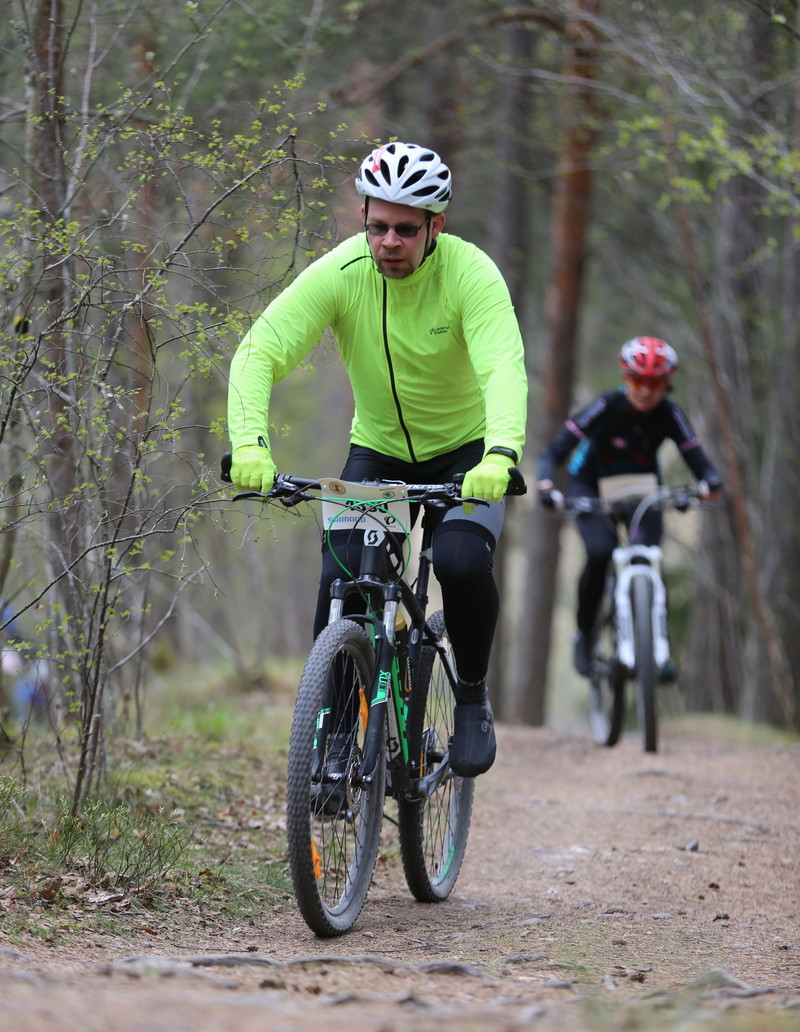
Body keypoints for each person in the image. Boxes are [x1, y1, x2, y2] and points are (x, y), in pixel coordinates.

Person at [227, 140, 528, 776]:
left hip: (468, 456)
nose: (388, 241)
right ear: (364, 217)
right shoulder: (342, 273)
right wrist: (250, 443)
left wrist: (500, 453)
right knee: (340, 581)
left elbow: (503, 366)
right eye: (377, 226)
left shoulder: (472, 275)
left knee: (460, 561)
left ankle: (470, 694)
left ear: (436, 226)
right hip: (379, 455)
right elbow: (259, 352)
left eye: (405, 229)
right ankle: (335, 740)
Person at [536, 336, 723, 677]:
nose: (645, 391)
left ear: (666, 384)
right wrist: (548, 485)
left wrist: (710, 482)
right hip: (590, 485)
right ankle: (586, 633)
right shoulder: (605, 406)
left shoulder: (670, 414)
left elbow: (697, 458)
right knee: (600, 552)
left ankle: (657, 650)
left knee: (649, 555)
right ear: (625, 378)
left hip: (642, 491)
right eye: (638, 381)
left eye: (654, 383)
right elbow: (554, 452)